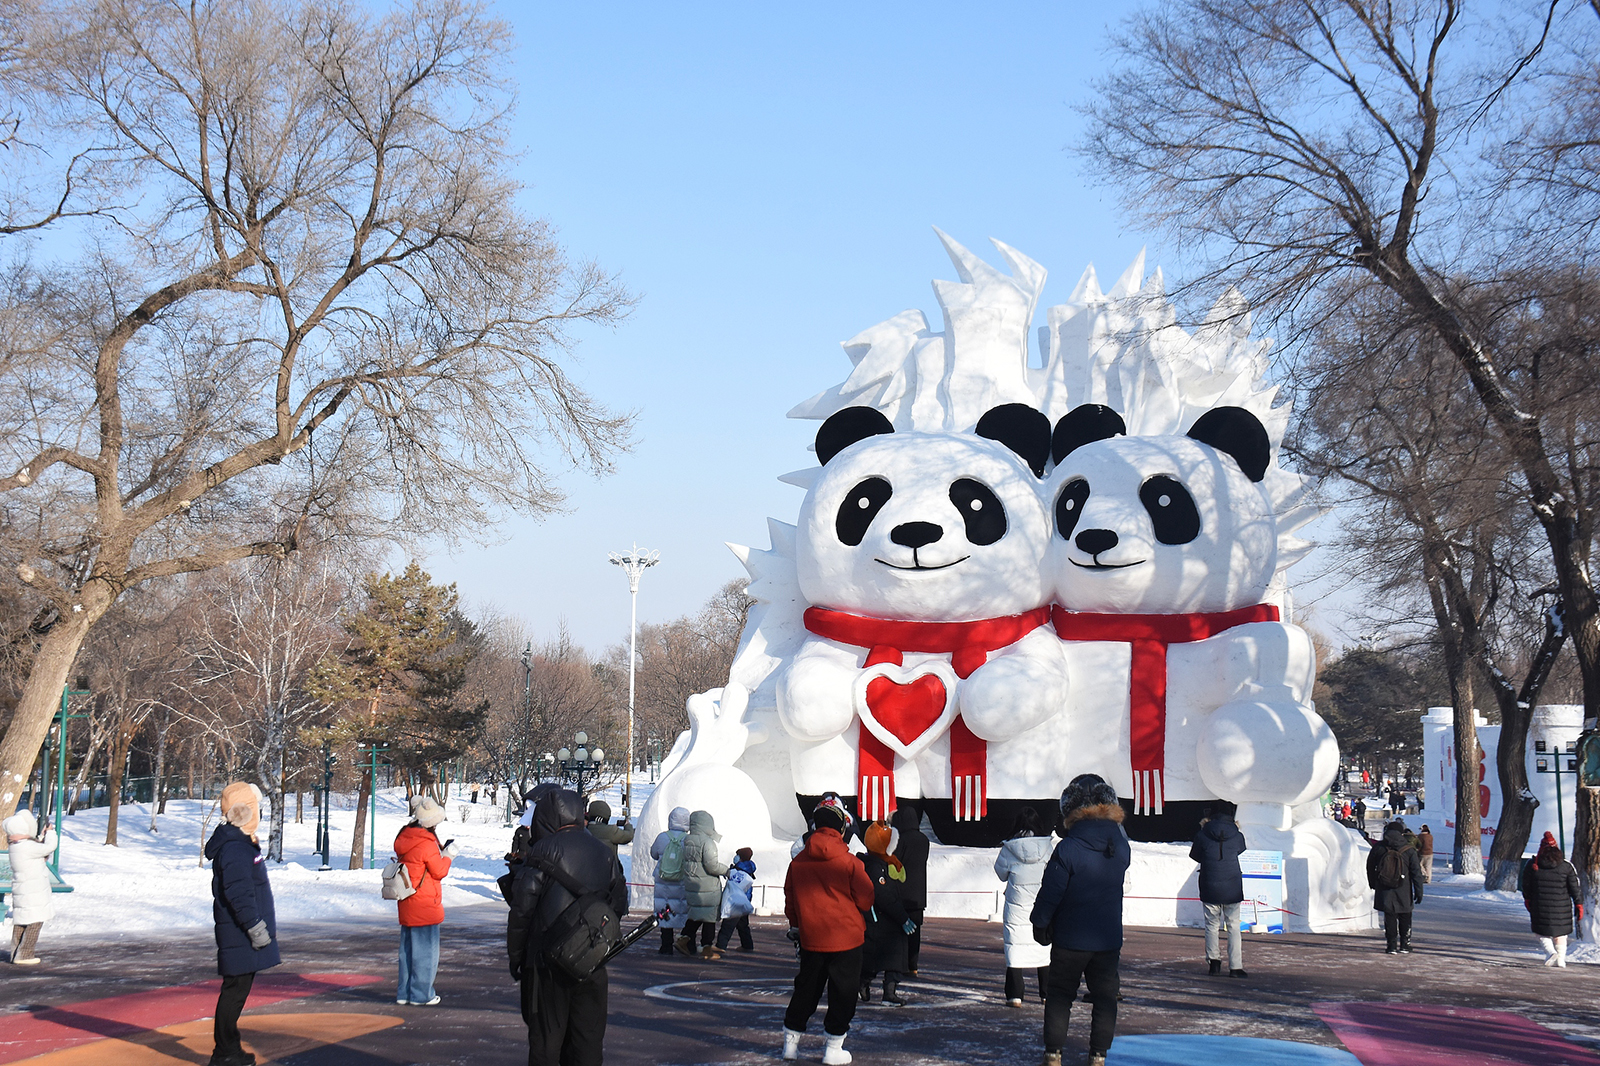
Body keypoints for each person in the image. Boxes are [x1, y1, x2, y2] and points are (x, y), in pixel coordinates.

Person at [507, 788, 627, 1066]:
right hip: (590, 959)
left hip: (546, 962)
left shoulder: (542, 850)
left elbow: (522, 911)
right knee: (587, 1039)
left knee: (546, 1041)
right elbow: (619, 903)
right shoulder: (604, 852)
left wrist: (517, 957)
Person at [1031, 774, 1130, 1066]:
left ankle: (1053, 1054)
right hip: (1108, 938)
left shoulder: (1068, 847)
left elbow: (1051, 891)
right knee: (1105, 999)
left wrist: (1040, 922)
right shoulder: (1121, 846)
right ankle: (1098, 1056)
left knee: (1060, 997)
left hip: (1070, 939)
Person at [782, 795, 875, 1065]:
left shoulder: (798, 862)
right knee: (843, 993)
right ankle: (833, 1048)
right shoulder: (850, 862)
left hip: (812, 937)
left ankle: (791, 1044)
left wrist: (797, 925)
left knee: (806, 989)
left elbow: (791, 900)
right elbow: (866, 899)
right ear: (841, 828)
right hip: (847, 938)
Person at [204, 782, 279, 1066]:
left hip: (239, 932)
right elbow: (239, 893)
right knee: (234, 991)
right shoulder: (235, 848)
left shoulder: (240, 843)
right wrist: (255, 927)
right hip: (239, 933)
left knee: (236, 991)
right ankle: (225, 1052)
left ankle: (228, 1049)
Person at [394, 795, 457, 1006]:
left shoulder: (405, 837)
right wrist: (448, 856)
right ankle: (421, 994)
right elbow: (439, 871)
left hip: (407, 899)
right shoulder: (427, 844)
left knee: (407, 951)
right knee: (426, 953)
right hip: (425, 901)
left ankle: (404, 992)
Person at [994, 806, 1052, 1007]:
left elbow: (1001, 874)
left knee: (1015, 948)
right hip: (1041, 903)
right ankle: (1046, 993)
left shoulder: (1009, 848)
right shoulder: (1047, 847)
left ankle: (1015, 995)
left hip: (1016, 906)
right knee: (1043, 947)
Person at [1189, 802, 1248, 978]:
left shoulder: (1203, 834)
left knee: (1211, 925)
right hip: (1232, 885)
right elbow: (1240, 850)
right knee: (1233, 926)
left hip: (1210, 884)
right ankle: (1236, 967)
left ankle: (1214, 963)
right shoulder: (1237, 835)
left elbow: (1195, 855)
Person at [858, 820, 911, 1006]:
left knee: (893, 958)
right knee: (878, 958)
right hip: (880, 920)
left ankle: (889, 991)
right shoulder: (875, 867)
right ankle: (864, 983)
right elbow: (883, 895)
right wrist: (903, 917)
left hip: (886, 920)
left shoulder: (881, 864)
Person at [3, 809, 56, 966]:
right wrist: (50, 833)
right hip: (34, 892)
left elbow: (34, 848)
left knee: (21, 922)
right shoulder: (27, 847)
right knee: (35, 922)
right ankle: (25, 954)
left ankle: (15, 952)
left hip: (24, 891)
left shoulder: (16, 846)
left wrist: (40, 836)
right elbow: (49, 847)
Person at [1522, 831, 1582, 967]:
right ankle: (1560, 960)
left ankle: (1550, 952)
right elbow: (1575, 887)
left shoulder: (1532, 866)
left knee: (1540, 931)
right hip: (1562, 908)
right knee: (1560, 934)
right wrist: (1579, 903)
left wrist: (1528, 899)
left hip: (1540, 905)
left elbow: (1526, 885)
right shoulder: (1566, 866)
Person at [1366, 818, 1424, 954]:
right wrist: (1419, 891)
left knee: (1389, 916)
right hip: (1404, 888)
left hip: (1384, 887)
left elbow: (1370, 867)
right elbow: (1416, 872)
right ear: (1401, 833)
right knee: (1405, 915)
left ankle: (1391, 945)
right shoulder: (1409, 850)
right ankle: (1405, 944)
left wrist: (1373, 883)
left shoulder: (1378, 847)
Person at [678, 809, 729, 959]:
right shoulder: (707, 843)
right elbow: (712, 866)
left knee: (696, 914)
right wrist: (726, 871)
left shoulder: (686, 840)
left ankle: (684, 938)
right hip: (707, 887)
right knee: (709, 919)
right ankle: (706, 948)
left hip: (692, 884)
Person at [890, 807, 929, 975]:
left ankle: (900, 964)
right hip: (918, 893)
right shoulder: (924, 839)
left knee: (900, 931)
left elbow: (894, 861)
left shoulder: (901, 839)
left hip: (901, 891)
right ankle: (913, 965)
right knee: (915, 931)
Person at [651, 806, 691, 954]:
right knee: (683, 910)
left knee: (665, 910)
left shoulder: (662, 837)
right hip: (682, 880)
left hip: (663, 880)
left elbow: (654, 853)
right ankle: (687, 942)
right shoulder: (688, 839)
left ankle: (666, 945)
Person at [716, 847, 758, 952]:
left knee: (727, 925)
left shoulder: (738, 870)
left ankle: (720, 946)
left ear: (740, 857)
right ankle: (747, 945)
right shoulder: (748, 869)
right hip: (745, 901)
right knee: (743, 925)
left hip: (735, 901)